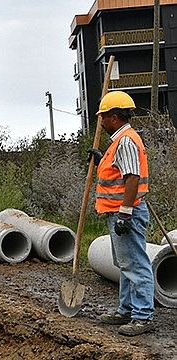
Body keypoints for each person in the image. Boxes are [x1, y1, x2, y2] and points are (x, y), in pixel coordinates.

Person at [88, 91, 154, 336]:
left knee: (135, 264)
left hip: (126, 213)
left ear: (114, 117)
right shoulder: (121, 140)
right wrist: (100, 159)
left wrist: (126, 213)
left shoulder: (125, 140)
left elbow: (132, 177)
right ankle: (126, 309)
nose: (101, 121)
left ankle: (143, 316)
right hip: (120, 212)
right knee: (125, 263)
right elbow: (118, 172)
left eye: (103, 117)